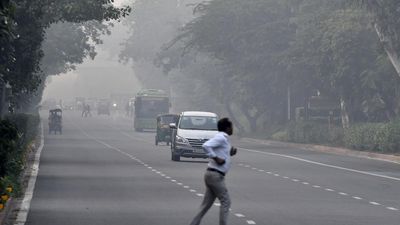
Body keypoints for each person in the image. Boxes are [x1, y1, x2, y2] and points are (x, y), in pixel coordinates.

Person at [189, 118, 237, 225]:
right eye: (231, 127)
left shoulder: (223, 138)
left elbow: (222, 153)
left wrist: (230, 152)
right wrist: (215, 158)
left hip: (212, 174)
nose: (233, 129)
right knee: (226, 201)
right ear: (227, 128)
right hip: (215, 176)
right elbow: (206, 145)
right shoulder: (221, 137)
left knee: (206, 204)